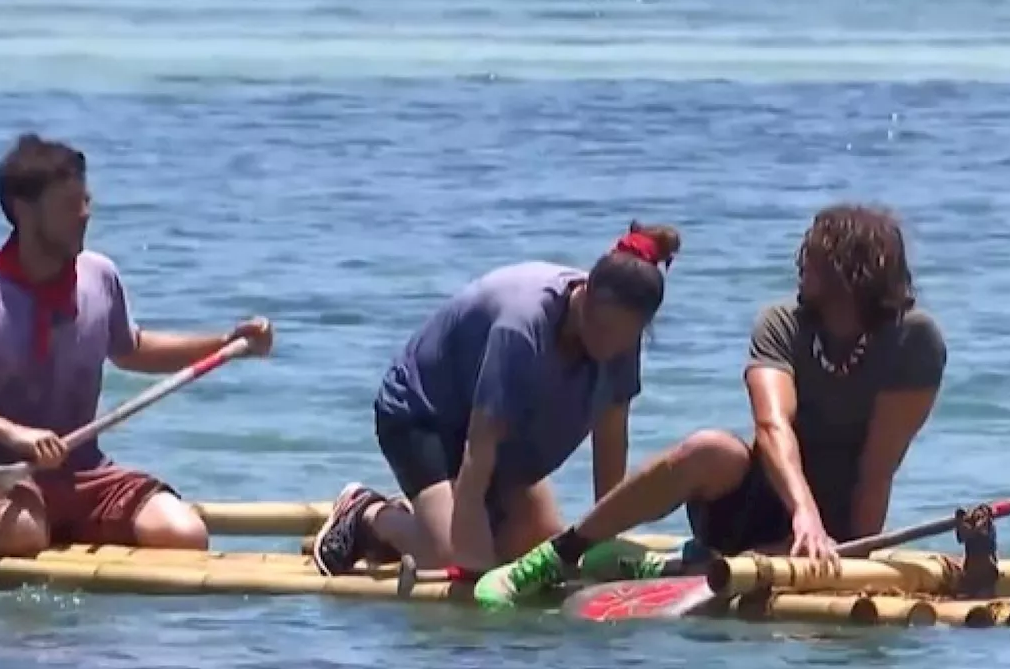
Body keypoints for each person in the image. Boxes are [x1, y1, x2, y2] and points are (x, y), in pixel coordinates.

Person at [474, 203, 948, 608]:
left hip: (834, 526)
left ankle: (685, 568)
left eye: (813, 258)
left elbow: (877, 469)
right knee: (711, 448)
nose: (800, 266)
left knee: (782, 557)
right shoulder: (782, 323)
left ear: (849, 272)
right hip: (758, 502)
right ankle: (559, 553)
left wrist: (850, 554)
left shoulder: (913, 341)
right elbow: (772, 424)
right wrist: (802, 509)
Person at [0, 133, 276, 557]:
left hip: (83, 472)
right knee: (23, 537)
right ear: (24, 211)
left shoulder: (99, 276)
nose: (85, 215)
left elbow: (131, 348)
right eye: (69, 205)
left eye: (86, 201)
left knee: (184, 535)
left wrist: (225, 342)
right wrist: (14, 434)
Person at [309, 222, 682, 577]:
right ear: (584, 295)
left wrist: (605, 541)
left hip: (507, 432)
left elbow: (611, 439)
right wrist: (472, 563)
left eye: (625, 335)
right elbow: (479, 448)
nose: (610, 345)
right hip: (424, 414)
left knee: (534, 550)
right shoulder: (522, 326)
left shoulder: (623, 332)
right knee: (450, 559)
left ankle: (429, 517)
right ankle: (369, 515)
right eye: (601, 330)